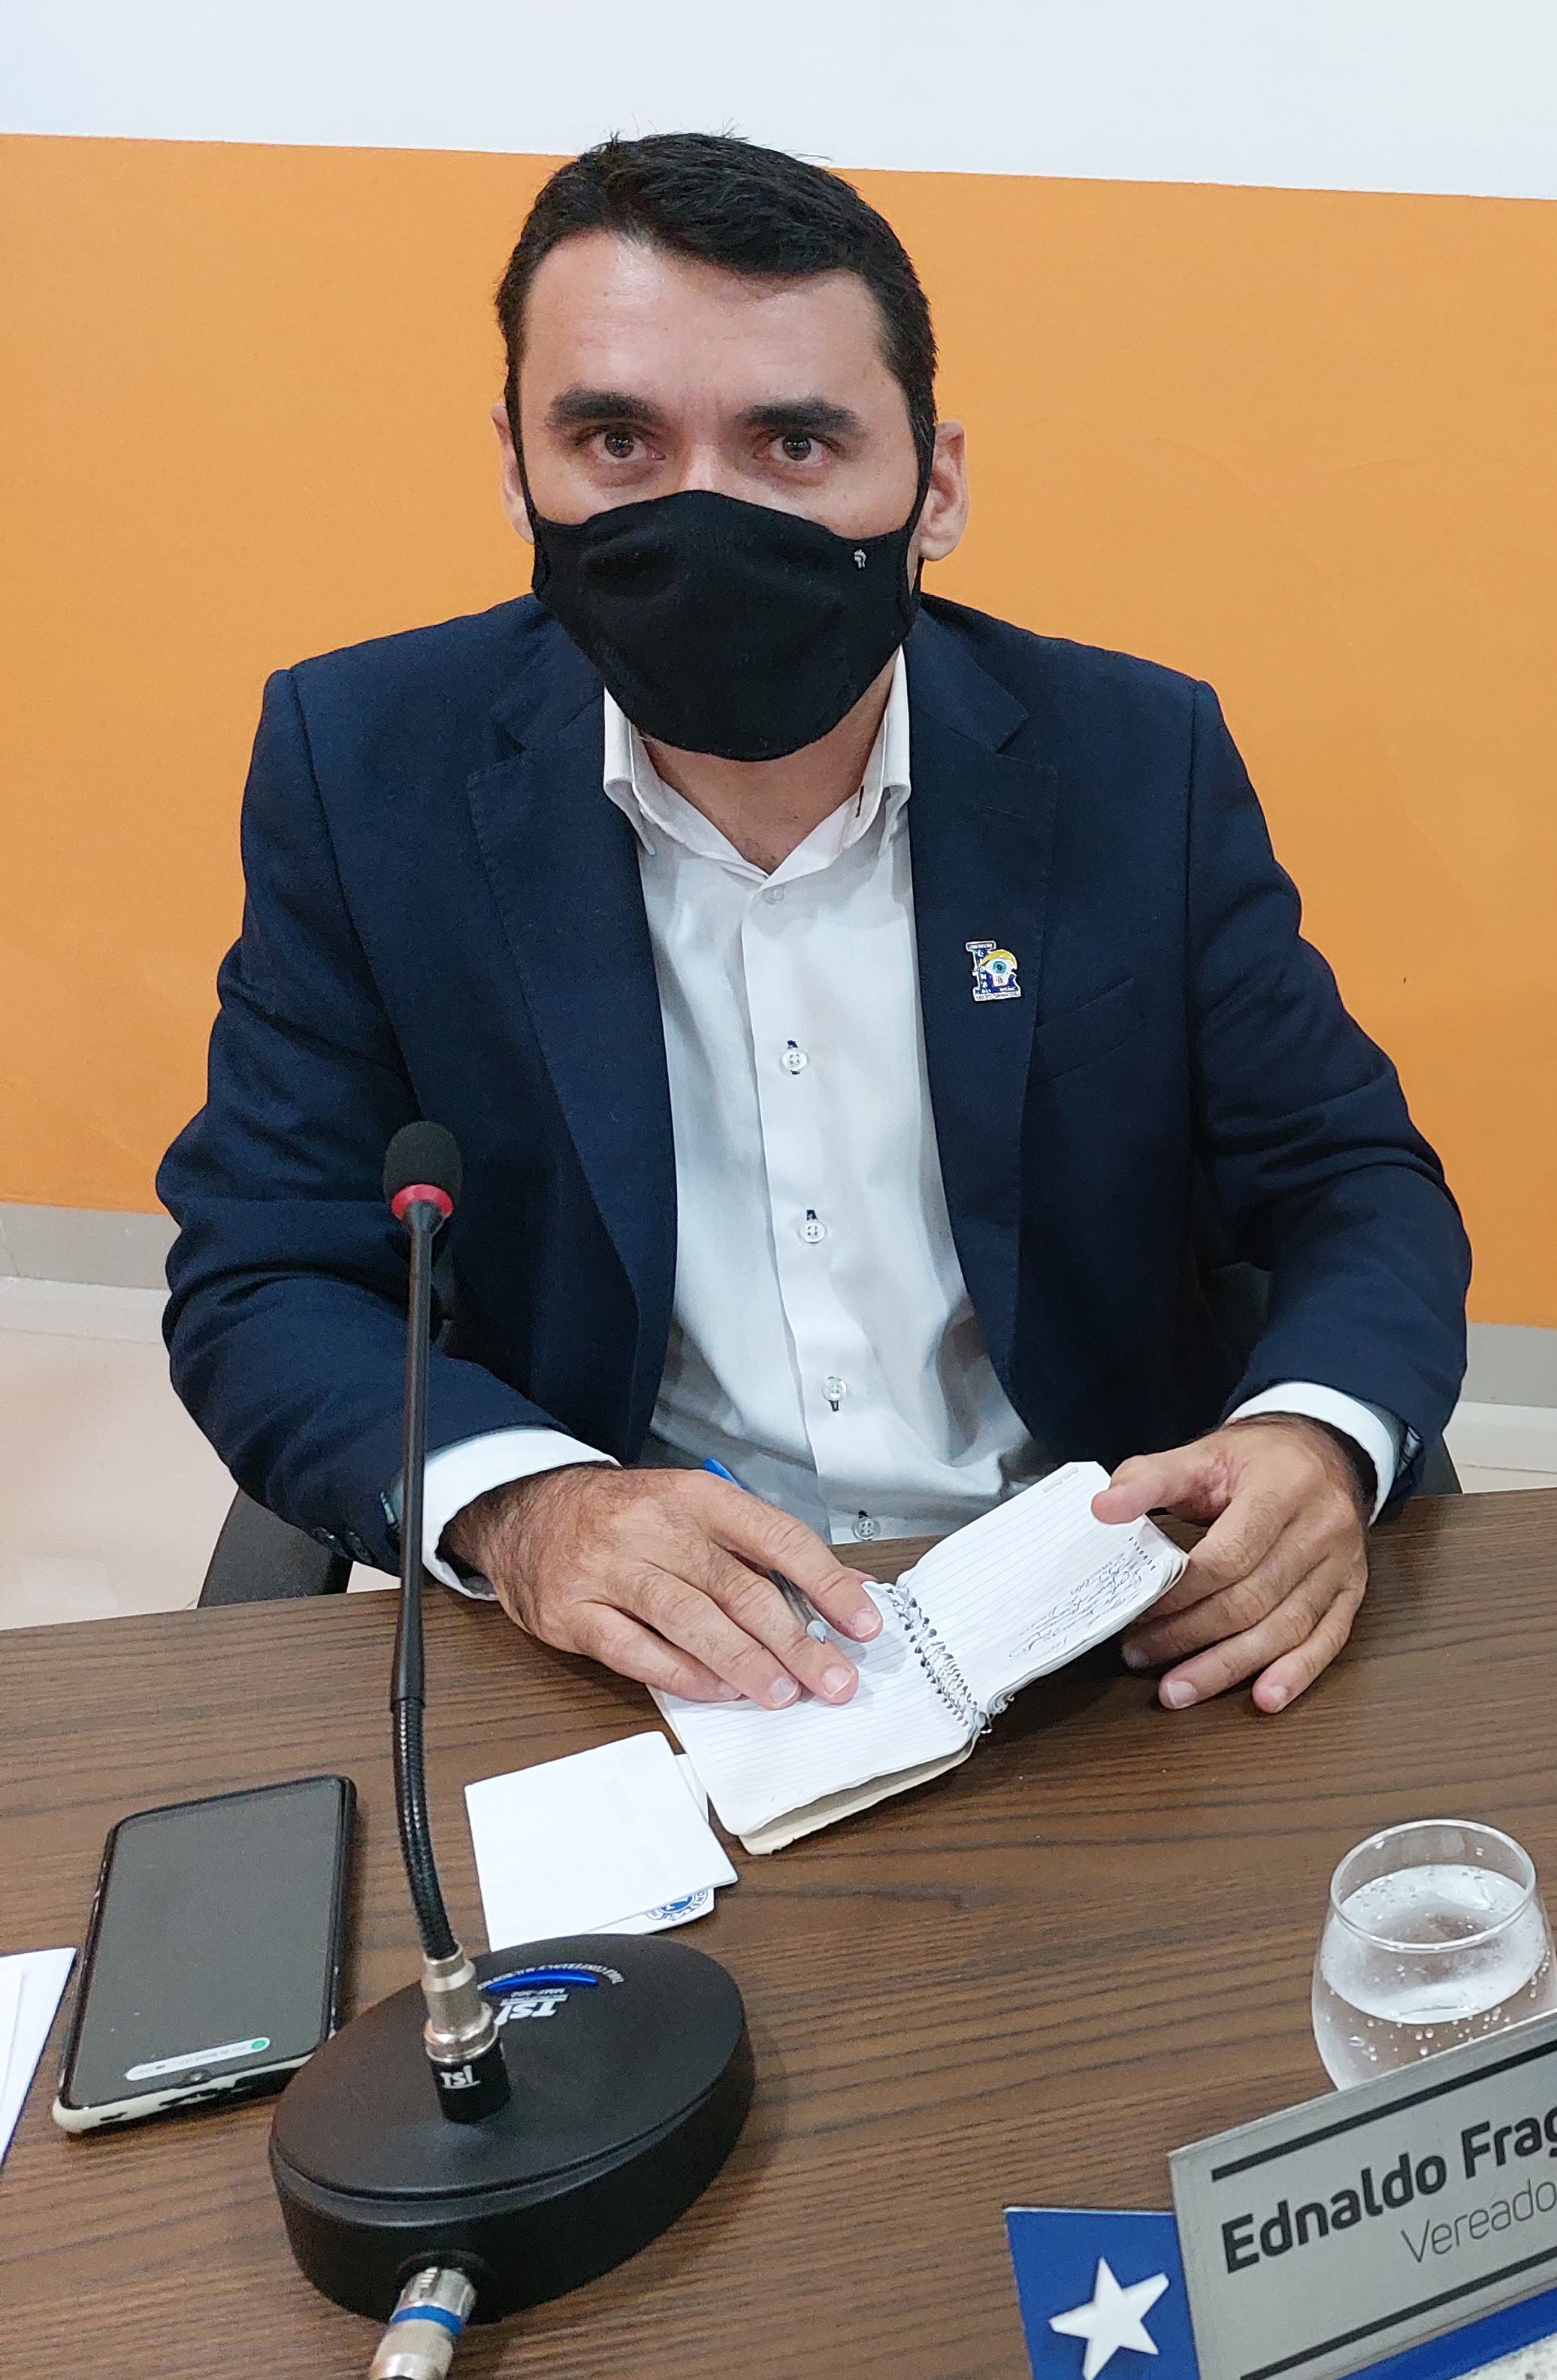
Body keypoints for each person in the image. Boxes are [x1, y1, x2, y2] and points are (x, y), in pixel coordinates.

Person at [162, 135, 1468, 1722]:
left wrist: (1315, 1433)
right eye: (618, 441)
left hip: (1106, 1608)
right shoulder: (366, 766)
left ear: (936, 484)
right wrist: (522, 1508)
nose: (703, 519)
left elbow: (1349, 1176)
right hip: (635, 1632)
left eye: (792, 442)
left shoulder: (1133, 758)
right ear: (516, 467)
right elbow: (263, 1270)